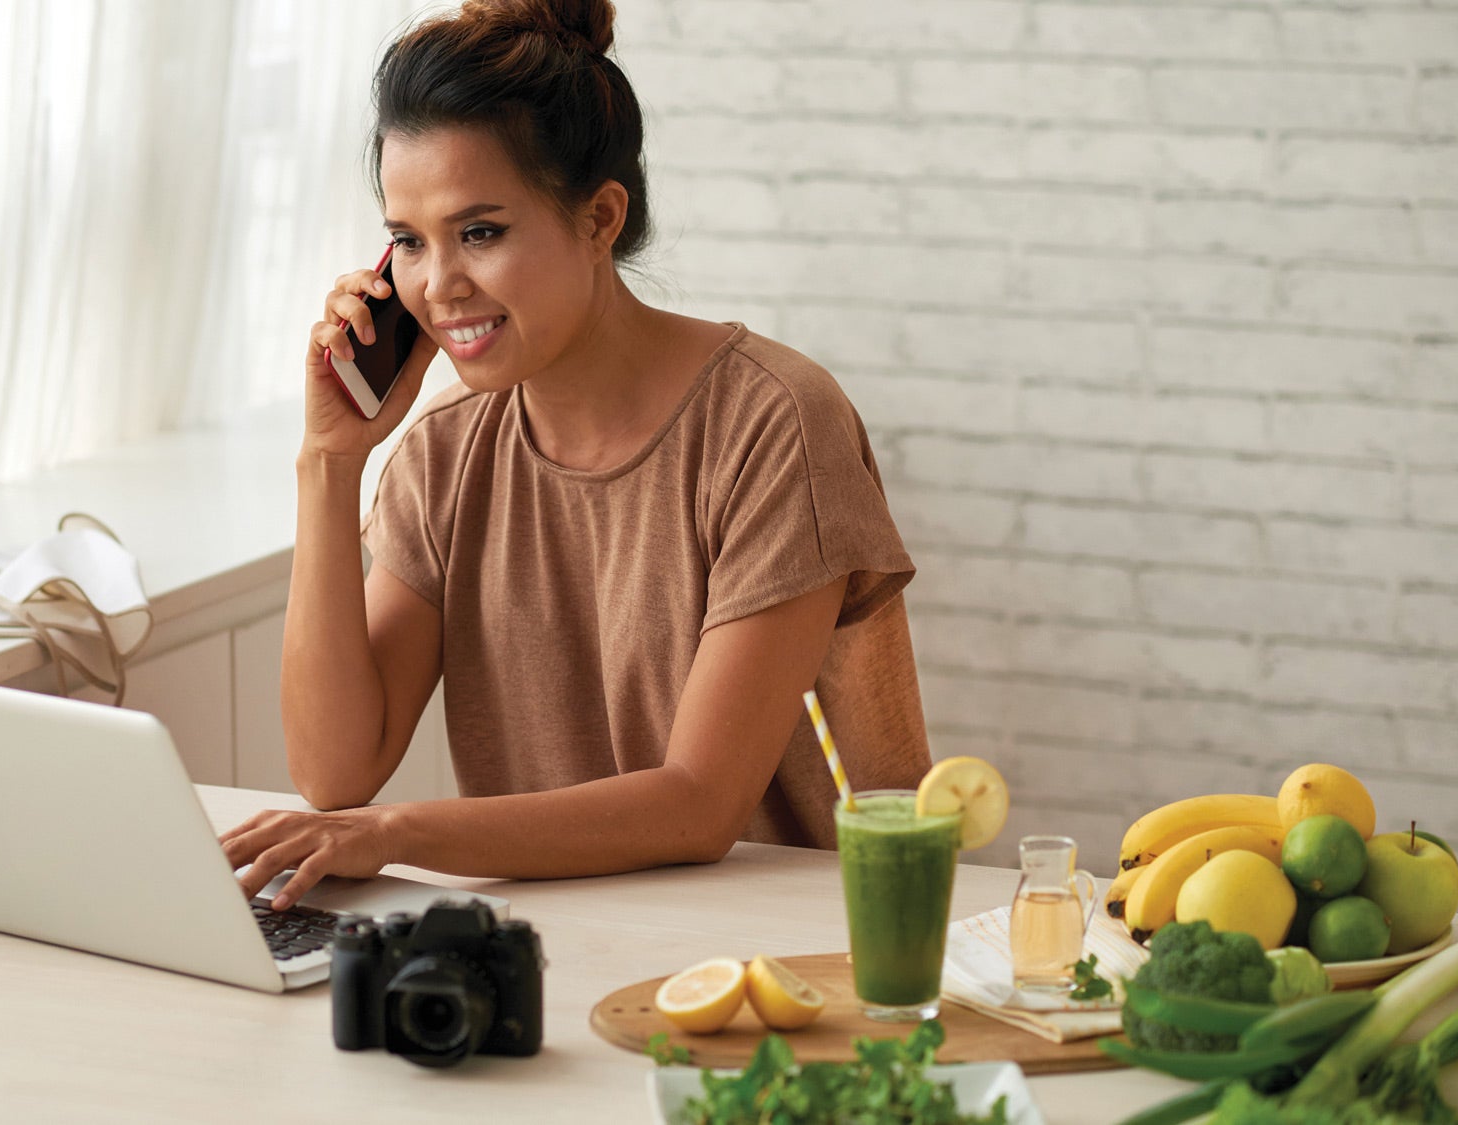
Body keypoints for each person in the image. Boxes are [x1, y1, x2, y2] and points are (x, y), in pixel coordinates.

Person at [221, 0, 929, 911]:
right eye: (407, 241)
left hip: (773, 951)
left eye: (480, 232)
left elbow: (699, 803)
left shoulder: (773, 422)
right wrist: (330, 460)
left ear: (599, 219)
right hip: (548, 937)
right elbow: (334, 770)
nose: (438, 285)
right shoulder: (445, 451)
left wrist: (393, 833)